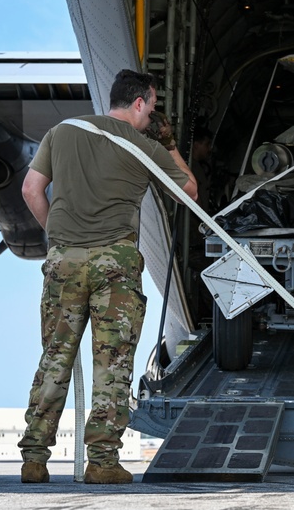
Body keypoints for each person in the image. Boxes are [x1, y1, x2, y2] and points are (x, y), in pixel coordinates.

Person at [18, 69, 197, 484]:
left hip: (63, 259)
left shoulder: (62, 132)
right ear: (139, 103)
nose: (152, 115)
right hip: (115, 263)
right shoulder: (144, 145)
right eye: (152, 107)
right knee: (111, 364)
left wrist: (59, 241)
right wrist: (168, 144)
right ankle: (101, 462)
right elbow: (188, 192)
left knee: (54, 358)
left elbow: (31, 190)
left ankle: (33, 458)